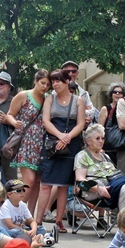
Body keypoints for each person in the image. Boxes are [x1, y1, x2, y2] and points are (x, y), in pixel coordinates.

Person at [36, 69, 85, 233]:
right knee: (46, 184)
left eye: (58, 81)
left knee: (64, 185)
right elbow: (45, 121)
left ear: (66, 82)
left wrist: (67, 138)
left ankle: (59, 221)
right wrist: (59, 136)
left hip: (71, 143)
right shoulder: (50, 99)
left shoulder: (78, 101)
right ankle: (38, 220)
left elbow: (80, 124)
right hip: (52, 143)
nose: (55, 84)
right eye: (53, 81)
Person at [74, 124, 125, 221]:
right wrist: (98, 189)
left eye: (103, 138)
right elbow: (80, 179)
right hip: (94, 190)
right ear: (88, 140)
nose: (101, 141)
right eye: (97, 138)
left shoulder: (105, 156)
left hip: (113, 185)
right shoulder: (82, 155)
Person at [6, 69, 51, 216]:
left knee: (38, 181)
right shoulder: (23, 95)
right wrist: (14, 122)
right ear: (35, 81)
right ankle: (17, 210)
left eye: (47, 84)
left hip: (41, 142)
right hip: (26, 141)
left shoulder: (48, 98)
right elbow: (10, 114)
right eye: (42, 83)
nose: (45, 87)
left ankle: (29, 215)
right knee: (29, 180)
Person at [98, 82, 125, 165]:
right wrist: (100, 147)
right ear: (111, 94)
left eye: (120, 92)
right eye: (115, 92)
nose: (117, 94)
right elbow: (99, 129)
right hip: (108, 147)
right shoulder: (105, 109)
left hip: (123, 146)